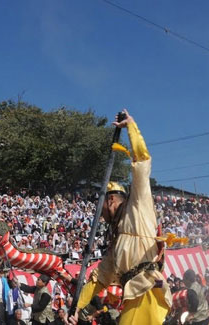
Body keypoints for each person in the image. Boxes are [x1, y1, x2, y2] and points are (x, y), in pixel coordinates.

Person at [73, 110, 172, 325]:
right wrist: (76, 308)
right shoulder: (116, 241)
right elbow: (99, 279)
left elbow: (142, 162)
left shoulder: (137, 205)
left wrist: (132, 128)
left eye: (101, 210)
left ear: (110, 201)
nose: (100, 216)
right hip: (134, 297)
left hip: (146, 291)